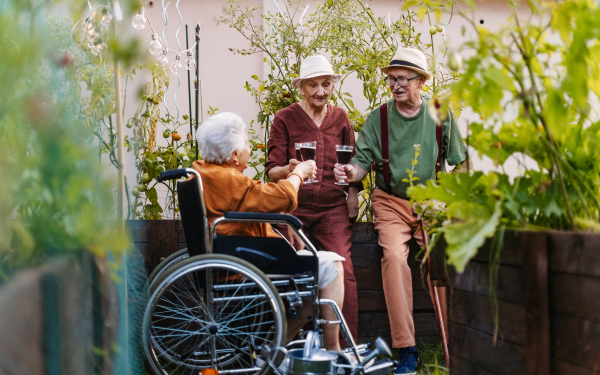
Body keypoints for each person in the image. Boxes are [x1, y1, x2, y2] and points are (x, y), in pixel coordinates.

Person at [334, 47, 468, 374]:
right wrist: (350, 174)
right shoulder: (379, 118)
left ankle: (459, 341)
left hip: (432, 200)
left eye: (403, 79)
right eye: (392, 80)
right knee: (393, 257)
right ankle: (407, 348)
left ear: (421, 81)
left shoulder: (440, 113)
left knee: (443, 255)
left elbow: (461, 163)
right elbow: (361, 164)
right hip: (391, 201)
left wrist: (449, 199)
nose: (395, 85)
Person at [192, 111, 345, 351]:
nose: (250, 150)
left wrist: (279, 217)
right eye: (246, 145)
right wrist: (299, 174)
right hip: (247, 262)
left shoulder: (203, 171)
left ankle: (278, 350)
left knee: (316, 268)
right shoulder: (230, 180)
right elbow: (282, 196)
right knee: (331, 265)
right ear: (234, 155)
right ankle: (319, 350)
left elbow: (246, 204)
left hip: (227, 256)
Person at [265, 54, 361, 342]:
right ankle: (288, 346)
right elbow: (272, 171)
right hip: (293, 209)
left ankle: (343, 351)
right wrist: (289, 169)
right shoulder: (284, 118)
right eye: (313, 85)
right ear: (302, 87)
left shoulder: (341, 117)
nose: (320, 91)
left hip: (333, 208)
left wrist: (354, 190)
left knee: (343, 272)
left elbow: (354, 162)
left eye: (326, 84)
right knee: (289, 274)